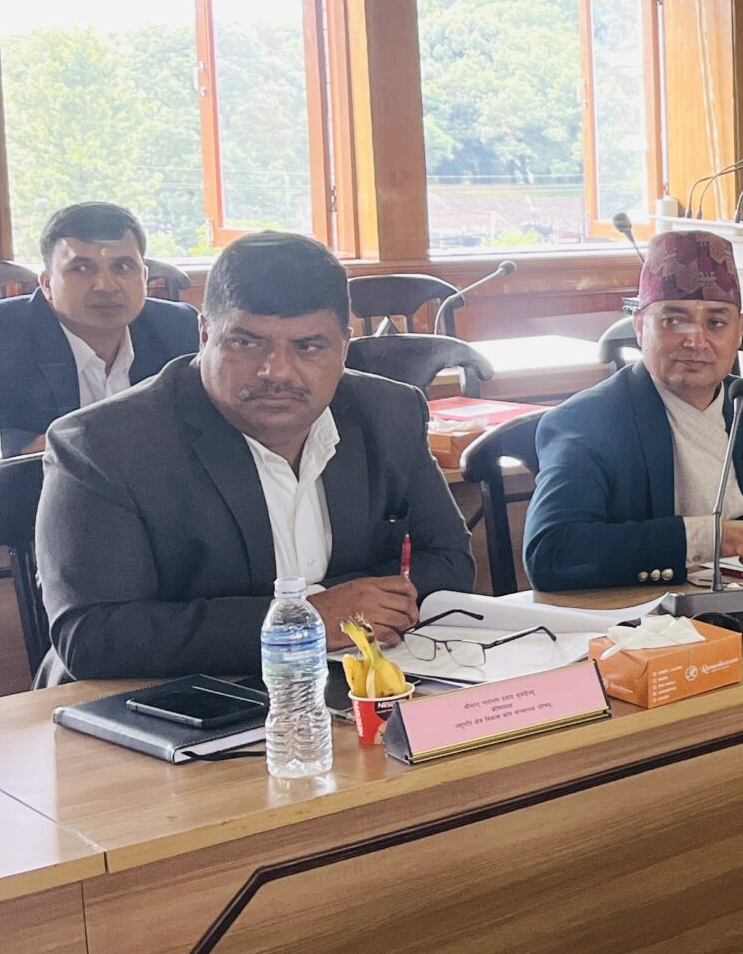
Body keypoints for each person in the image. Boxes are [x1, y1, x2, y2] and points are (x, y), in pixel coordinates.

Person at [37, 232, 471, 681]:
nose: (276, 371)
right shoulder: (102, 444)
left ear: (345, 346)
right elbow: (93, 636)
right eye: (246, 343)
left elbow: (450, 562)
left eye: (308, 346)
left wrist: (344, 611)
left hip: (345, 682)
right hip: (160, 700)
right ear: (205, 334)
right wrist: (309, 618)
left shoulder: (389, 413)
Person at [524, 231, 743, 591]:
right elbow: (551, 553)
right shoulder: (588, 421)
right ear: (640, 326)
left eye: (716, 323)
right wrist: (715, 537)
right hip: (642, 611)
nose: (696, 341)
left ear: (739, 331)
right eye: (674, 321)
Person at [0, 201, 199, 454]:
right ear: (47, 284)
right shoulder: (5, 334)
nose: (106, 286)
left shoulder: (180, 327)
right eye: (81, 268)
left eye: (122, 267)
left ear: (144, 277)